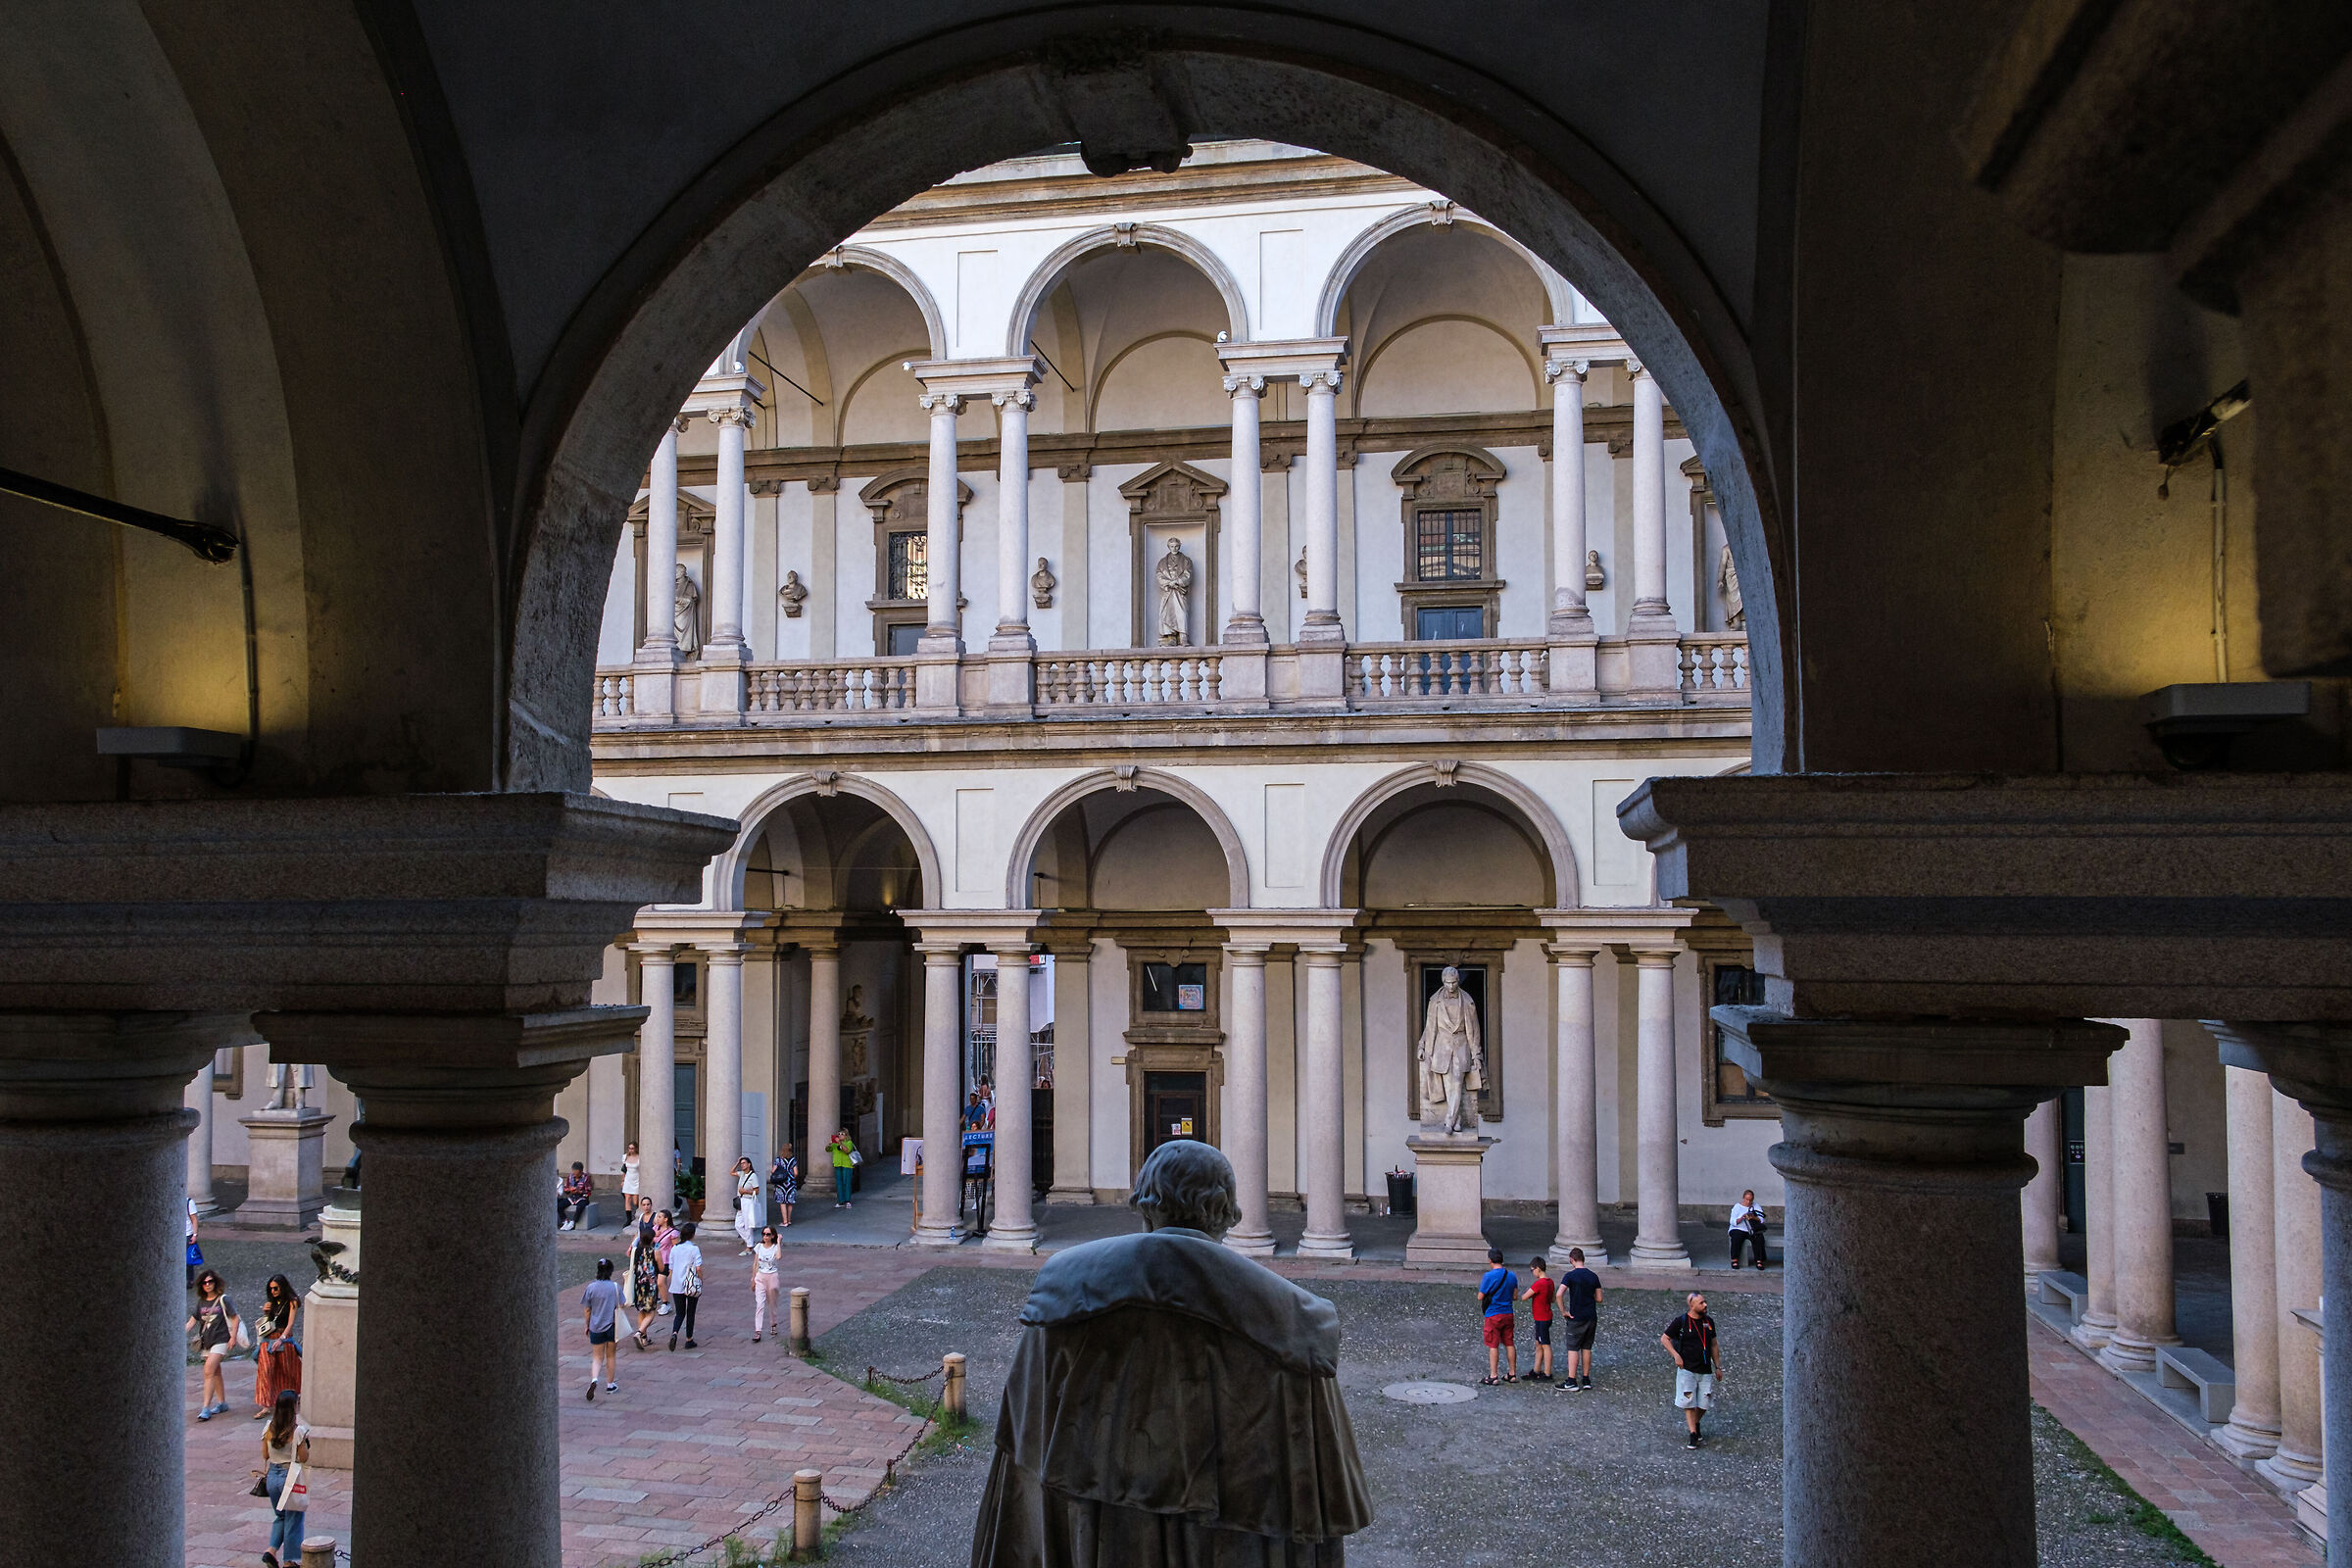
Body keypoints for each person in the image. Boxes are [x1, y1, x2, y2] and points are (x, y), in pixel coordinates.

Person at [968, 1141, 1371, 1563]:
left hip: (1100, 1537)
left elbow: (1024, 1451)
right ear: (1227, 1214)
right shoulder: (1294, 1322)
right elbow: (1312, 1503)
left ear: (1145, 1207)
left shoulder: (1063, 1291)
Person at [1661, 1291, 1723, 1447]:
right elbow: (1665, 1338)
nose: (1705, 1305)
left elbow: (1714, 1344)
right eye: (1701, 1303)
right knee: (1688, 1401)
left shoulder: (1709, 1322)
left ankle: (1695, 1423)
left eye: (1705, 1301)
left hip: (1705, 1369)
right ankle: (1693, 1433)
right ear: (1692, 1305)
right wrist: (1675, 1355)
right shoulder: (1681, 1322)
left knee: (1704, 1403)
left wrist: (1718, 1366)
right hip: (1687, 1369)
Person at [258, 1388, 311, 1568]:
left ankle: (270, 1551)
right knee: (294, 1518)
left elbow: (265, 1455)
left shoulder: (268, 1427)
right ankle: (290, 1561)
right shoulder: (298, 1431)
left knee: (281, 1516)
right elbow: (303, 1458)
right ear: (293, 1407)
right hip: (290, 1477)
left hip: (272, 1477)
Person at [187, 1268, 240, 1420]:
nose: (207, 1284)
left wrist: (233, 1337)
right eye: (204, 1282)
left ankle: (205, 1407)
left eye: (210, 1281)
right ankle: (222, 1403)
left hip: (221, 1339)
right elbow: (192, 1322)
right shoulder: (201, 1302)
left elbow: (235, 1318)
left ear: (215, 1282)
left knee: (208, 1370)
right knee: (215, 1371)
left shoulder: (224, 1299)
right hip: (206, 1342)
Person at [252, 1273, 302, 1418]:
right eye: (271, 1289)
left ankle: (294, 1394)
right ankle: (265, 1404)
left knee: (288, 1369)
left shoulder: (292, 1302)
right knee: (265, 1370)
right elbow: (268, 1322)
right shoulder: (271, 1302)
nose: (273, 1291)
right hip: (269, 1339)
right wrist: (266, 1312)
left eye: (276, 1288)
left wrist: (282, 1338)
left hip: (283, 1338)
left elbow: (290, 1324)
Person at [1555, 1247, 1603, 1392]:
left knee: (1573, 1348)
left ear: (1571, 1260)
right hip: (1591, 1316)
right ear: (1583, 1259)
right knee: (1587, 1348)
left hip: (1576, 1317)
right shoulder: (1593, 1276)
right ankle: (1586, 1379)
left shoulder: (1569, 1276)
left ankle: (1571, 1380)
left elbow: (1559, 1294)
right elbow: (1599, 1299)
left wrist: (1564, 1311)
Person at [1477, 1247, 1517, 1386]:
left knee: (1493, 1345)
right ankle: (1512, 1373)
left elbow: (1480, 1296)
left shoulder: (1488, 1276)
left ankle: (1494, 1375)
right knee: (1509, 1343)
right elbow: (1515, 1296)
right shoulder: (1512, 1276)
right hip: (1508, 1313)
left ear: (1490, 1261)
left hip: (1493, 1314)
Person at [582, 1256, 622, 1398]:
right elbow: (621, 1305)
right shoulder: (615, 1287)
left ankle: (594, 1379)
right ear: (611, 1271)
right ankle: (610, 1385)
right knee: (611, 1356)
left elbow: (587, 1309)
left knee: (597, 1357)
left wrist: (587, 1325)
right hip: (612, 1325)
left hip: (595, 1326)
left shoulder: (591, 1287)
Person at [625, 1199, 662, 1348]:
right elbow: (660, 1267)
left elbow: (634, 1266)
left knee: (641, 1310)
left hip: (638, 1283)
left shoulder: (637, 1250)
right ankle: (640, 1332)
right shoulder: (655, 1251)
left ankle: (644, 1338)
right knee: (651, 1311)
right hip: (650, 1283)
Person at [665, 1221, 704, 1349]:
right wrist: (701, 1280)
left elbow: (671, 1268)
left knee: (680, 1312)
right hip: (691, 1283)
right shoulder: (694, 1249)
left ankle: (675, 1332)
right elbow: (698, 1267)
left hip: (677, 1284)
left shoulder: (675, 1249)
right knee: (690, 1312)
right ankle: (689, 1339)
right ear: (692, 1235)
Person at [1519, 1256, 1557, 1382]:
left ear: (1538, 1269)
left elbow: (1524, 1297)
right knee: (1539, 1343)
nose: (1532, 1273)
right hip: (1545, 1316)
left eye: (1532, 1270)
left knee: (1545, 1345)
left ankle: (1547, 1373)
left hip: (1542, 1318)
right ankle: (1536, 1370)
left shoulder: (1539, 1283)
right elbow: (1552, 1299)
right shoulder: (1550, 1282)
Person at [751, 1224, 782, 1341]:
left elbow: (778, 1257)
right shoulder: (759, 1246)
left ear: (772, 1235)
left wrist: (778, 1242)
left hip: (772, 1276)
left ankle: (774, 1324)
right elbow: (755, 1264)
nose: (765, 1236)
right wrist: (753, 1279)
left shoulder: (775, 1247)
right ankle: (758, 1330)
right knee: (760, 1304)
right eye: (763, 1234)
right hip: (760, 1277)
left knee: (772, 1303)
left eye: (768, 1234)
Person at [1728, 1189, 1769, 1270]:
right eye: (1747, 1199)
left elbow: (1761, 1219)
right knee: (1736, 1237)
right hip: (1738, 1228)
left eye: (1750, 1200)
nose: (1748, 1202)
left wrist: (1753, 1217)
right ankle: (1734, 1260)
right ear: (1743, 1198)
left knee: (1759, 1238)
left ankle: (1759, 1260)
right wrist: (1742, 1217)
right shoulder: (1737, 1207)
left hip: (1751, 1229)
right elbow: (1732, 1221)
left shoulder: (1756, 1206)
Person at [652, 1207, 679, 1317]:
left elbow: (675, 1247)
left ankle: (665, 1303)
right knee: (656, 1281)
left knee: (660, 1281)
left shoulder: (673, 1232)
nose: (657, 1219)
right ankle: (660, 1297)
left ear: (666, 1219)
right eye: (657, 1217)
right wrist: (654, 1235)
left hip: (666, 1260)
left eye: (660, 1217)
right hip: (654, 1258)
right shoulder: (655, 1228)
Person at [731, 1154, 761, 1251]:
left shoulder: (753, 1176)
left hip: (748, 1200)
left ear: (749, 1164)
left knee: (747, 1224)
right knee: (738, 1225)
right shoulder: (741, 1174)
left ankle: (749, 1246)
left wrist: (745, 1191)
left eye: (744, 1163)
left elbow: (757, 1191)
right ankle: (750, 1242)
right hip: (741, 1201)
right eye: (741, 1164)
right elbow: (731, 1172)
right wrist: (737, 1162)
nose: (742, 1165)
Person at [558, 1161, 595, 1230]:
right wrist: (569, 1190)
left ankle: (573, 1222)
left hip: (582, 1198)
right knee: (559, 1205)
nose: (575, 1175)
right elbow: (566, 1188)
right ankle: (565, 1221)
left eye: (577, 1174)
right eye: (574, 1173)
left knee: (580, 1206)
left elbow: (588, 1191)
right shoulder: (570, 1177)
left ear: (581, 1172)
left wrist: (578, 1191)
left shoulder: (586, 1178)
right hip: (572, 1198)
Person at [826, 1127, 858, 1208]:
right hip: (837, 1164)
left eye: (842, 1134)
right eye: (839, 1134)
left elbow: (847, 1151)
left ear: (846, 1135)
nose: (840, 1135)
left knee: (846, 1182)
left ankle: (847, 1200)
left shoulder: (848, 1142)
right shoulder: (834, 1144)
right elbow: (827, 1150)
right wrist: (829, 1144)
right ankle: (841, 1201)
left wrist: (840, 1143)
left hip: (846, 1165)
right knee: (839, 1183)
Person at [769, 1147, 800, 1228]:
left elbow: (773, 1171)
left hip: (780, 1184)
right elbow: (796, 1173)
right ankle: (789, 1220)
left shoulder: (778, 1160)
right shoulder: (793, 1160)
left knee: (782, 1203)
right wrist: (791, 1177)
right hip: (790, 1184)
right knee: (790, 1202)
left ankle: (784, 1221)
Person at [620, 1140, 642, 1212]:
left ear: (636, 1148)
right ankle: (628, 1219)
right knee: (627, 1198)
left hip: (636, 1179)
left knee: (635, 1201)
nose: (631, 1150)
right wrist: (623, 1180)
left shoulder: (640, 1157)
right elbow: (624, 1170)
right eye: (629, 1148)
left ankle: (640, 1211)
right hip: (628, 1179)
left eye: (632, 1148)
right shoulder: (625, 1156)